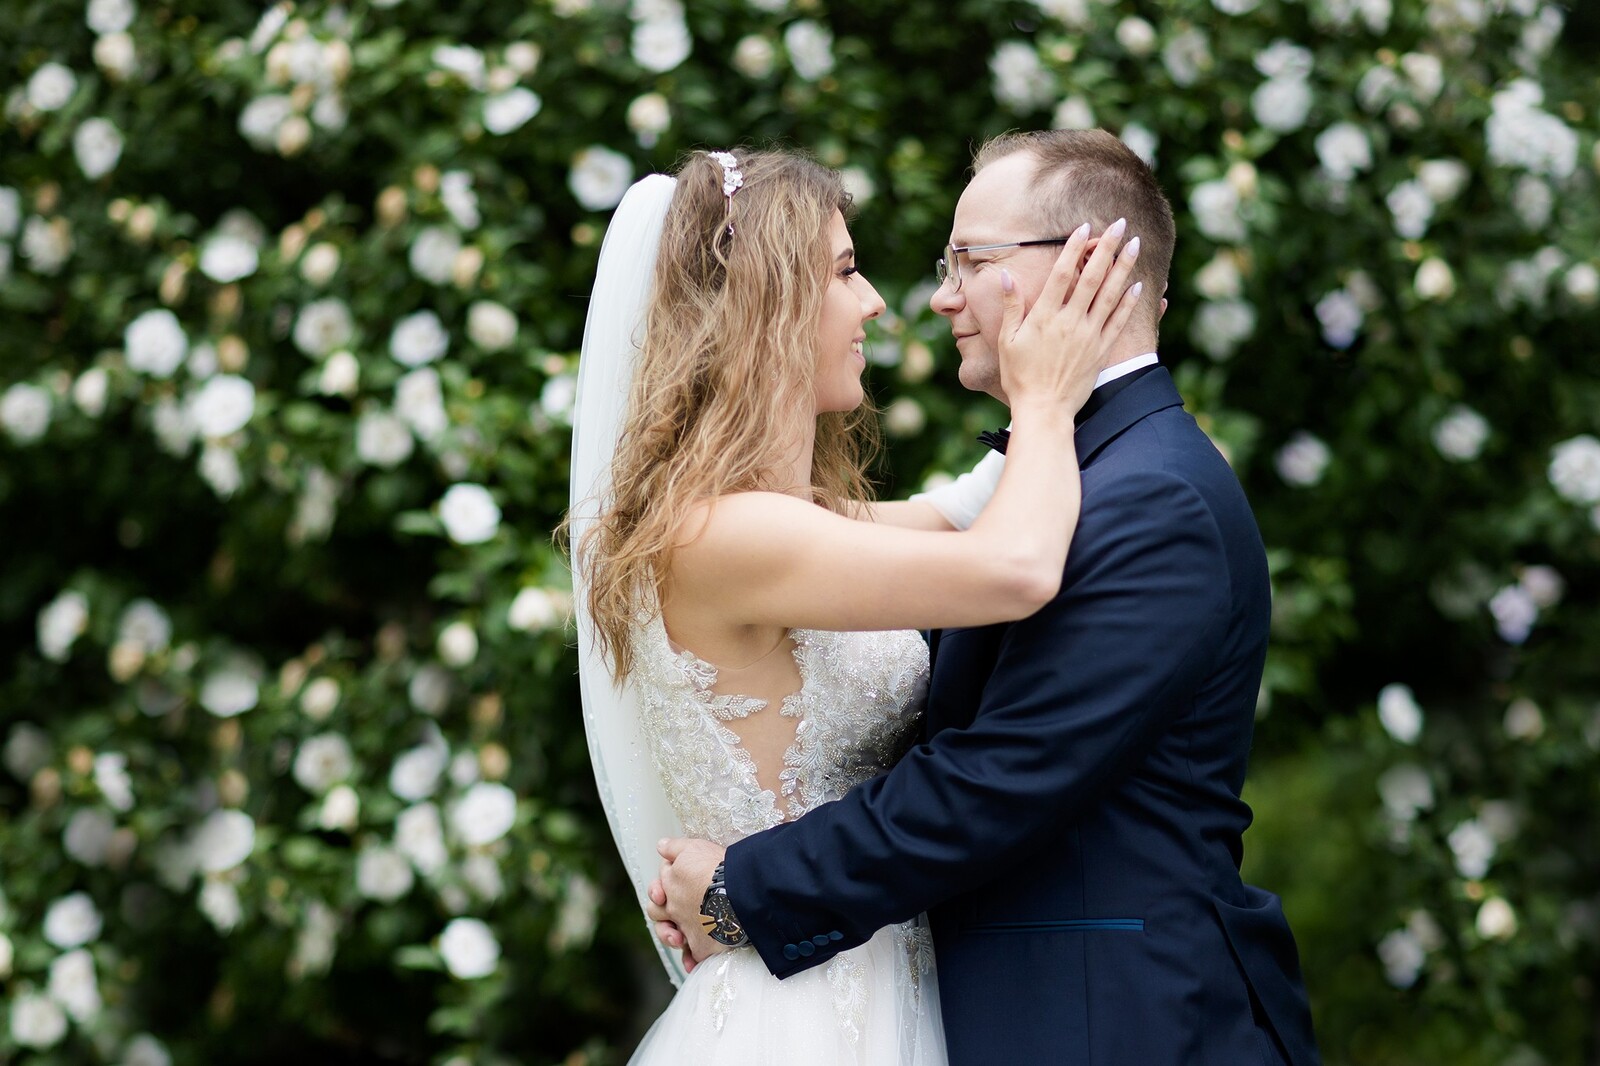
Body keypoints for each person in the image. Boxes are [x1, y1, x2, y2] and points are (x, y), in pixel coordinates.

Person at [649, 130, 1322, 1066]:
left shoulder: (1154, 497)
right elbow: (952, 534)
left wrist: (747, 887)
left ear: (1087, 264)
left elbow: (1001, 775)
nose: (936, 296)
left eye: (970, 260)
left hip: (1117, 1025)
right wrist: (1039, 414)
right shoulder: (1075, 478)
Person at [567, 146, 1144, 1064]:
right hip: (802, 1015)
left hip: (871, 970)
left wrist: (1119, 405)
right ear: (770, 304)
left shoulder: (785, 521)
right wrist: (1046, 398)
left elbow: (957, 514)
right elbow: (1018, 567)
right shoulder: (723, 536)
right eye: (844, 272)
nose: (875, 300)